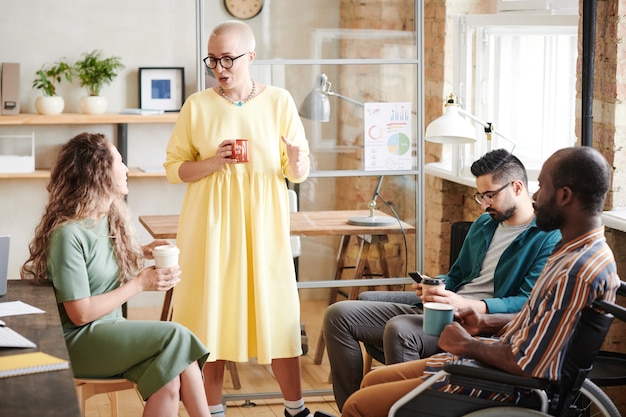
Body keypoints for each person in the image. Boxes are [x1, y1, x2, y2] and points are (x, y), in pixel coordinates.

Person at [338, 146, 621, 417]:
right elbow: (538, 322)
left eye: (542, 187)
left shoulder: (575, 270)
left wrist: (466, 345)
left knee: (358, 407)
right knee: (370, 383)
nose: (536, 195)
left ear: (564, 196)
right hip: (489, 358)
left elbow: (529, 363)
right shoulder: (575, 252)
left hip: (499, 383)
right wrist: (484, 323)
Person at [163, 21, 312, 417]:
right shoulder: (197, 105)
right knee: (210, 315)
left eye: (228, 58)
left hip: (263, 225)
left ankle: (295, 409)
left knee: (278, 312)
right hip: (209, 224)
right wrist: (213, 161)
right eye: (213, 59)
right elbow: (174, 168)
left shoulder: (279, 101)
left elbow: (296, 170)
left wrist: (296, 162)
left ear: (251, 57)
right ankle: (212, 411)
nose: (219, 67)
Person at [20, 133, 211, 417]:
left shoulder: (107, 217)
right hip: (78, 341)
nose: (125, 168)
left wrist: (141, 250)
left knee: (170, 377)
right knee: (176, 336)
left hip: (111, 330)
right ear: (99, 174)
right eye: (119, 162)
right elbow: (80, 314)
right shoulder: (67, 234)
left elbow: (101, 260)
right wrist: (140, 283)